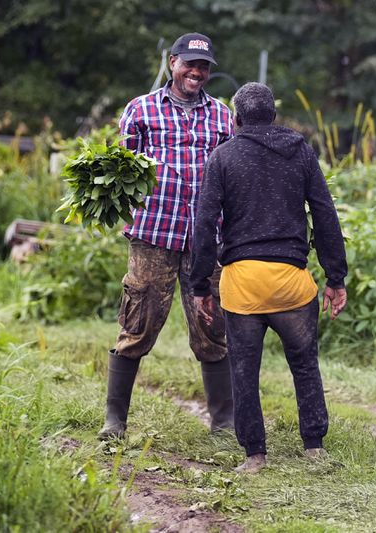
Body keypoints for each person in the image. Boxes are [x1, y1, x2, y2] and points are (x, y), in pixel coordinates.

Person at [190, 82, 348, 473]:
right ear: (273, 115)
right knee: (305, 364)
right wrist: (335, 278)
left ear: (236, 118)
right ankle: (314, 448)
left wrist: (199, 286)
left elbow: (205, 223)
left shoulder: (223, 157)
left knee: (244, 369)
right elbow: (325, 213)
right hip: (292, 282)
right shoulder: (301, 151)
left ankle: (255, 456)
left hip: (243, 284)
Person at [98, 32, 235, 440]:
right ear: (172, 62)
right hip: (154, 234)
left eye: (204, 66)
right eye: (189, 64)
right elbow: (120, 170)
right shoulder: (140, 110)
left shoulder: (223, 117)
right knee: (137, 325)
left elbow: (232, 173)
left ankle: (224, 425)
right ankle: (114, 422)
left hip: (207, 239)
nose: (197, 72)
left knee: (212, 330)